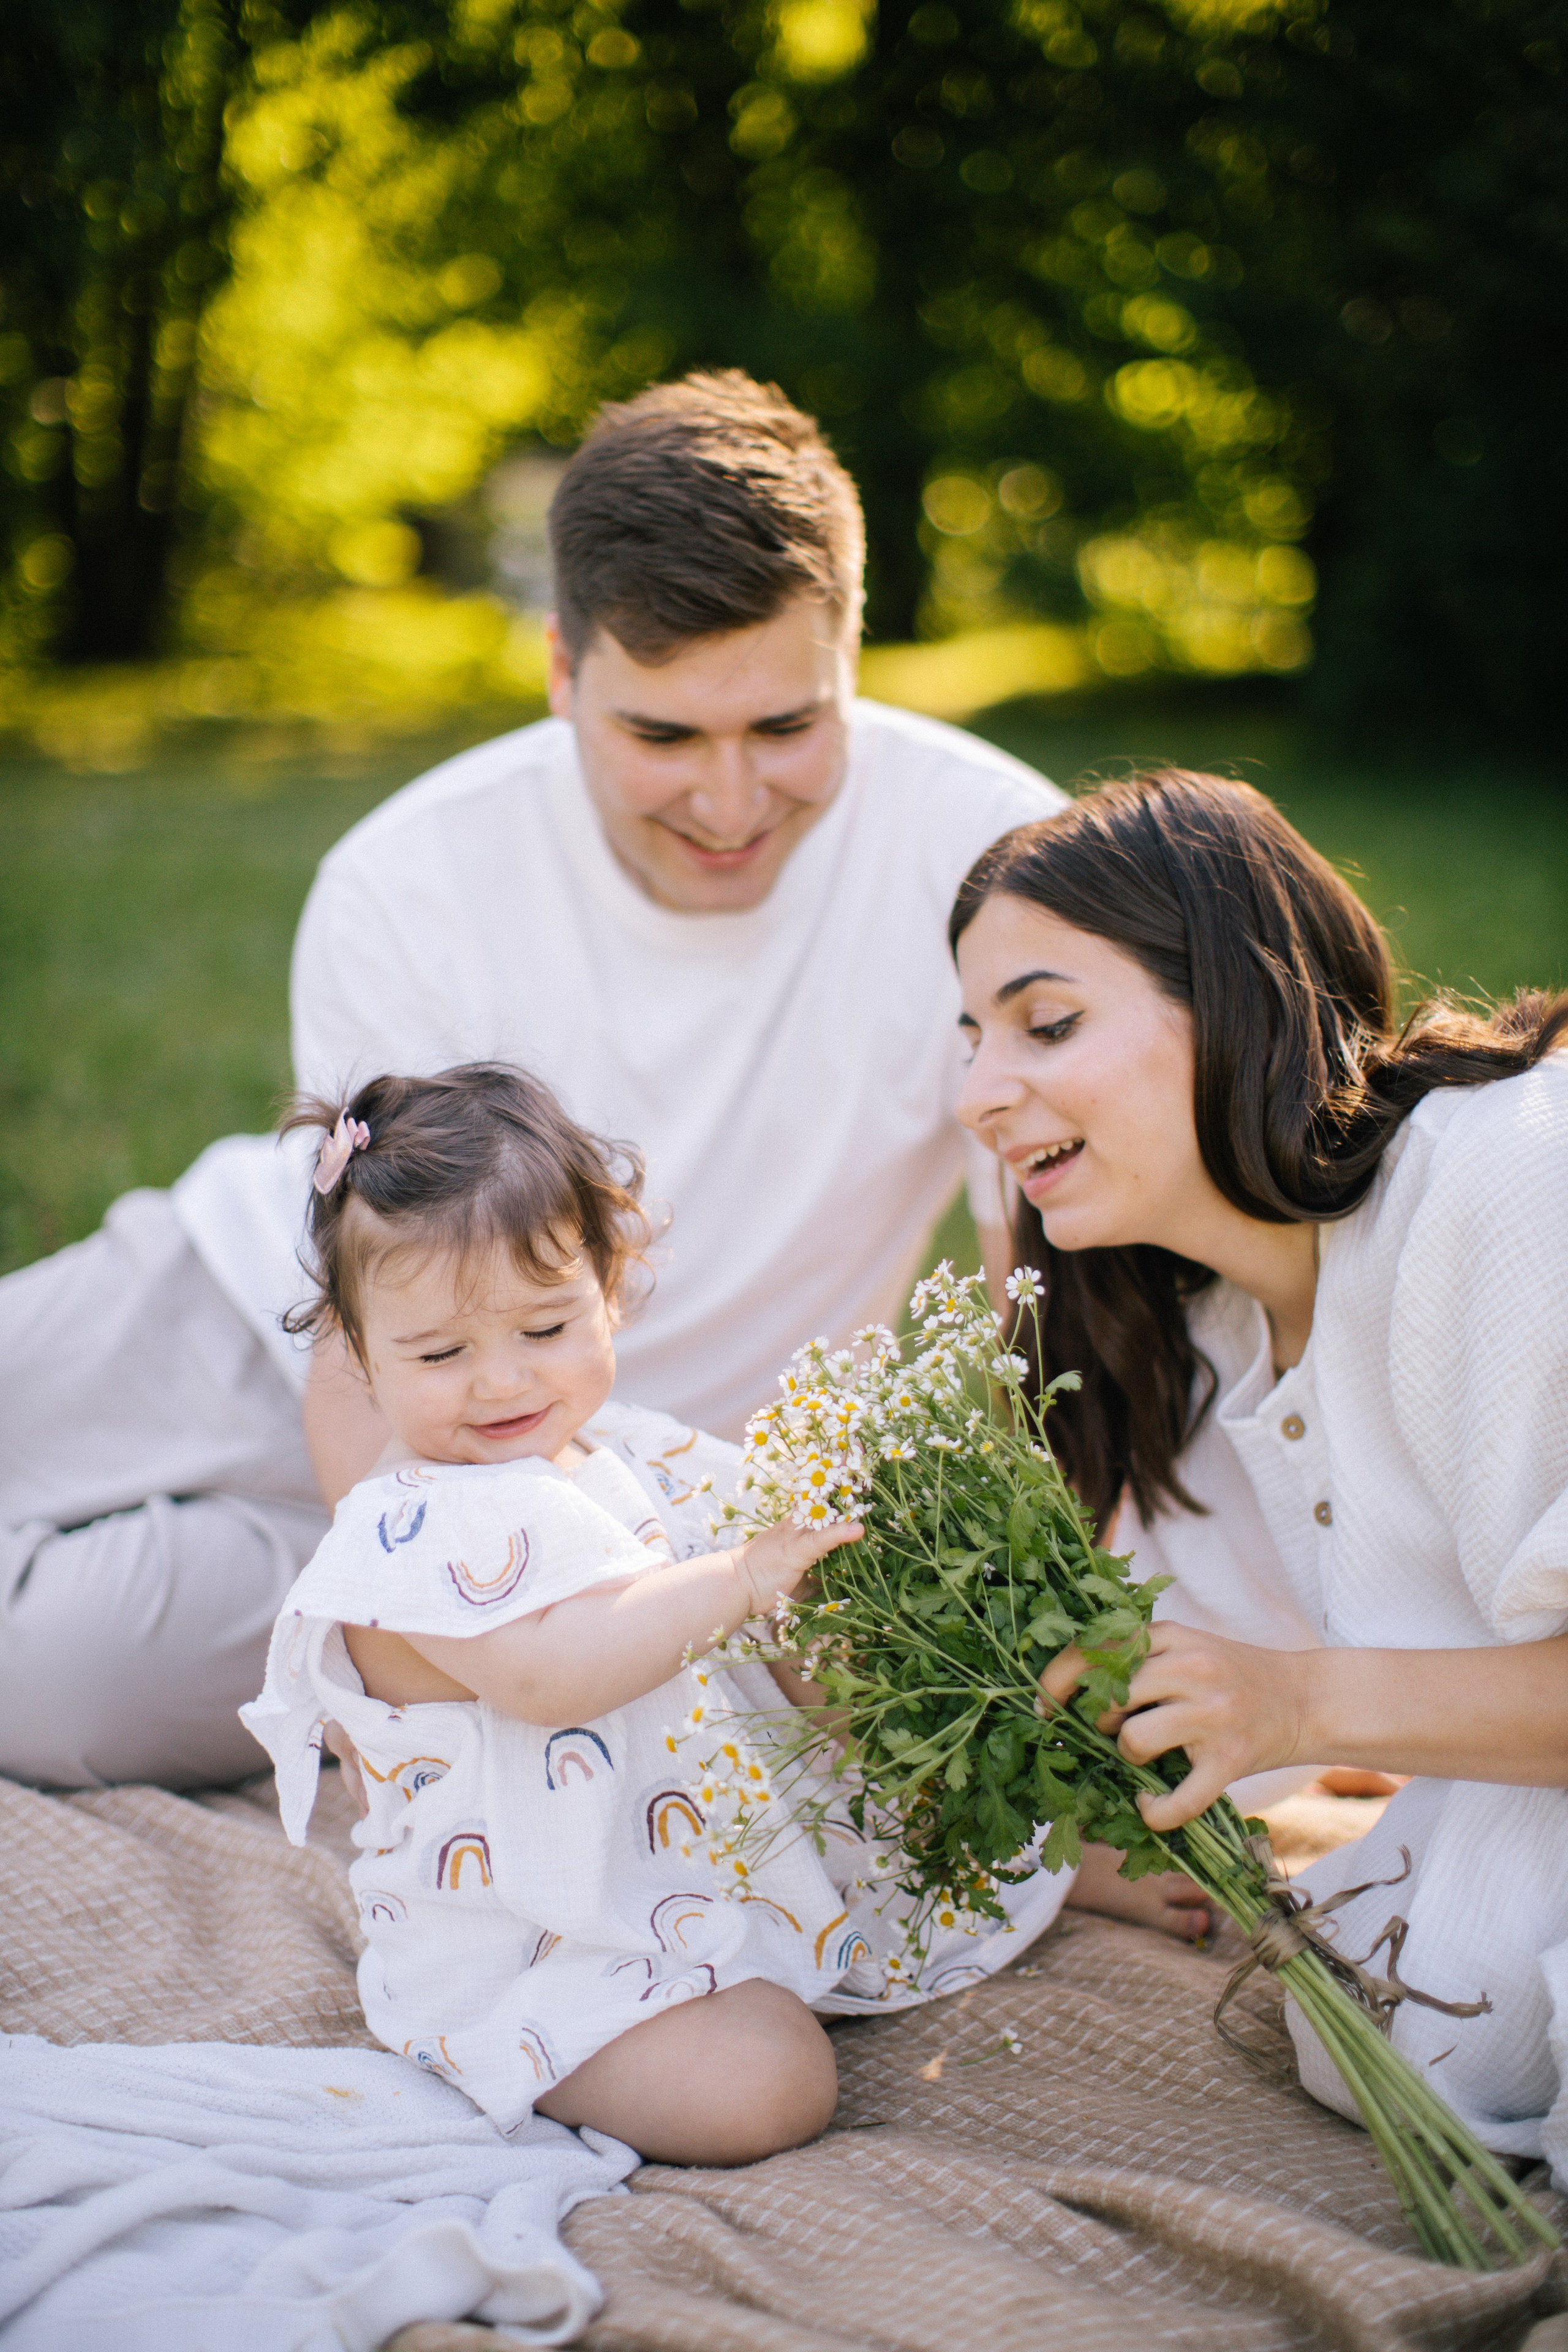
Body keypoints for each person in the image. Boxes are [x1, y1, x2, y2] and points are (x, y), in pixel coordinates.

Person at [0, 369, 1061, 1792]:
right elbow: (354, 1326)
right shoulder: (410, 874)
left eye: (788, 728)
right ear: (562, 669)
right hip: (263, 1321)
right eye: (663, 735)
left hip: (573, 1495)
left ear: (853, 657)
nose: (732, 803)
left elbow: (1044, 1293)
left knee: (51, 1698)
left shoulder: (995, 861)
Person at [241, 1065, 1071, 2160]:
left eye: (545, 1328)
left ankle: (970, 1875)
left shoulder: (618, 1448)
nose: (500, 1384)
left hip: (678, 1866)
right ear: (356, 1352)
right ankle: (549, 2051)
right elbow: (555, 1670)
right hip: (535, 1940)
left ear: (611, 1287)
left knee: (956, 1831)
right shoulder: (407, 1532)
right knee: (768, 2084)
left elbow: (756, 1566)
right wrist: (739, 1579)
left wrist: (833, 1565)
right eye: (441, 1354)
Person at [949, 767, 1568, 2166]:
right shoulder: (1212, 1324)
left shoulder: (1510, 1181)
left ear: (1236, 995)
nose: (982, 1096)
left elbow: (1282, 1694)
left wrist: (1299, 1703)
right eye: (972, 1040)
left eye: (1046, 1023)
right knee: (1394, 2007)